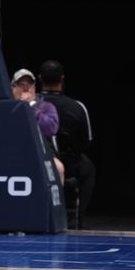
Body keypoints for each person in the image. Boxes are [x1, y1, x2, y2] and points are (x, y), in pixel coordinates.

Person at [38, 60, 96, 228]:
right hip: (63, 163)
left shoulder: (31, 106)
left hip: (44, 162)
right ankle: (78, 217)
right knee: (88, 167)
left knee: (85, 166)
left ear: (40, 79)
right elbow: (86, 143)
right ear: (62, 79)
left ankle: (74, 215)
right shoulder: (76, 107)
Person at [11, 68, 65, 183]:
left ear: (34, 87)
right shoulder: (7, 107)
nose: (26, 88)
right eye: (21, 84)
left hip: (41, 152)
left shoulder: (46, 107)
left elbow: (50, 129)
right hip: (14, 151)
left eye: (29, 84)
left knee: (59, 168)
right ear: (13, 88)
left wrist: (31, 105)